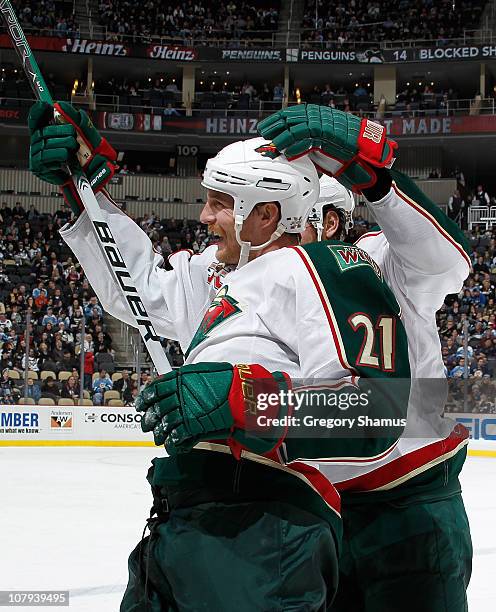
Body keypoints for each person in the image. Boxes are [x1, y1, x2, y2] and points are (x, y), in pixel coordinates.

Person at [28, 100, 411, 611]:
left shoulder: (325, 268)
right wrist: (83, 190)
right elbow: (138, 287)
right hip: (185, 521)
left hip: (264, 535)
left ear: (268, 214)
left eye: (220, 203)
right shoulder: (219, 275)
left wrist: (244, 402)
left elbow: (376, 410)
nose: (204, 216)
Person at [266, 105, 472, 610]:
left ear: (329, 219)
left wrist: (377, 181)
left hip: (409, 510)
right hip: (313, 513)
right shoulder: (262, 283)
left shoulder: (382, 259)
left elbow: (447, 264)